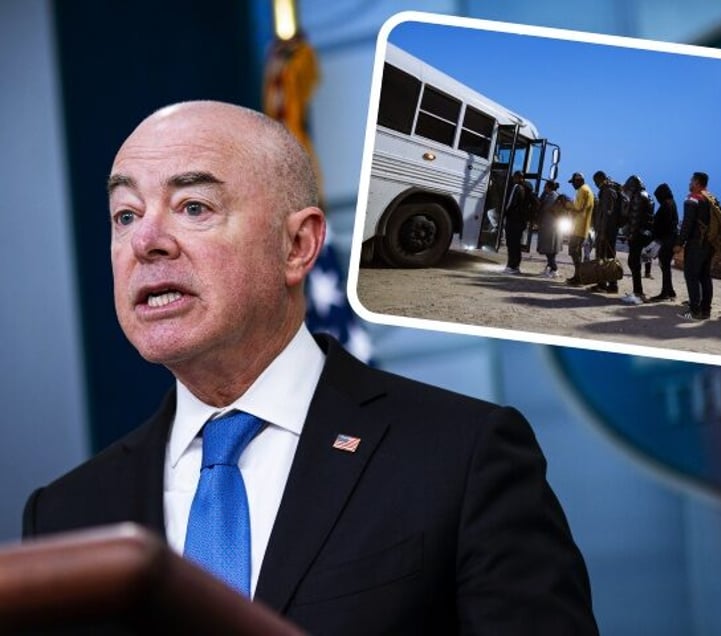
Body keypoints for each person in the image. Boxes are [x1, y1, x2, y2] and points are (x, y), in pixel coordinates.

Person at [21, 101, 598, 635]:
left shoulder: (463, 457)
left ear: (298, 245)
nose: (145, 241)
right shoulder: (66, 515)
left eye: (193, 207)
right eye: (124, 215)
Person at [674, 172, 715, 320]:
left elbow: (687, 223)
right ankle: (705, 310)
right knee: (705, 276)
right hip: (708, 245)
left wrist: (679, 243)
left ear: (697, 183)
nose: (689, 183)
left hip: (696, 244)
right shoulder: (710, 199)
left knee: (691, 276)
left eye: (691, 181)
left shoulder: (692, 198)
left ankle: (694, 311)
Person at [620, 175, 654, 304]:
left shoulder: (638, 197)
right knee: (636, 264)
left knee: (633, 263)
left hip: (637, 236)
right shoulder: (647, 195)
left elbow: (634, 219)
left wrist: (630, 235)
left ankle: (638, 293)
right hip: (644, 235)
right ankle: (638, 292)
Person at [589, 170, 623, 293]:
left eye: (596, 181)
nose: (595, 184)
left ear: (600, 179)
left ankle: (609, 285)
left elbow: (607, 214)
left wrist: (602, 232)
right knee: (607, 257)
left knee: (605, 257)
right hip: (609, 230)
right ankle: (606, 284)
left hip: (607, 231)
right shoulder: (609, 190)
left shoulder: (607, 191)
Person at [648, 183, 679, 301]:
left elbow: (662, 224)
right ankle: (670, 291)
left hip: (666, 240)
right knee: (665, 267)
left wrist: (656, 236)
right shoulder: (672, 203)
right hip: (671, 238)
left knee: (665, 266)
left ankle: (665, 293)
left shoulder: (666, 205)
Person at [563, 172, 594, 285]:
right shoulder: (588, 190)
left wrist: (567, 205)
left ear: (578, 180)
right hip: (582, 227)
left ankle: (579, 277)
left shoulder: (582, 190)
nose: (572, 185)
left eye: (573, 182)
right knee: (577, 252)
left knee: (573, 251)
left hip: (578, 227)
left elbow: (578, 208)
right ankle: (578, 276)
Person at [503, 170, 528, 274]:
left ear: (517, 177)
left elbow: (510, 203)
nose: (513, 179)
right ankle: (516, 266)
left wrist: (504, 212)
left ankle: (511, 266)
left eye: (514, 177)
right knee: (516, 244)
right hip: (520, 221)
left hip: (513, 220)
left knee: (511, 244)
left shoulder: (516, 187)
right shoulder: (525, 188)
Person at [536, 179, 562, 277]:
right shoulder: (553, 195)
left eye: (545, 187)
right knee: (550, 249)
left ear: (548, 187)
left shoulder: (552, 196)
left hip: (550, 226)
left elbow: (544, 208)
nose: (544, 188)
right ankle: (550, 269)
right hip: (551, 226)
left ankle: (554, 269)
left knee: (549, 249)